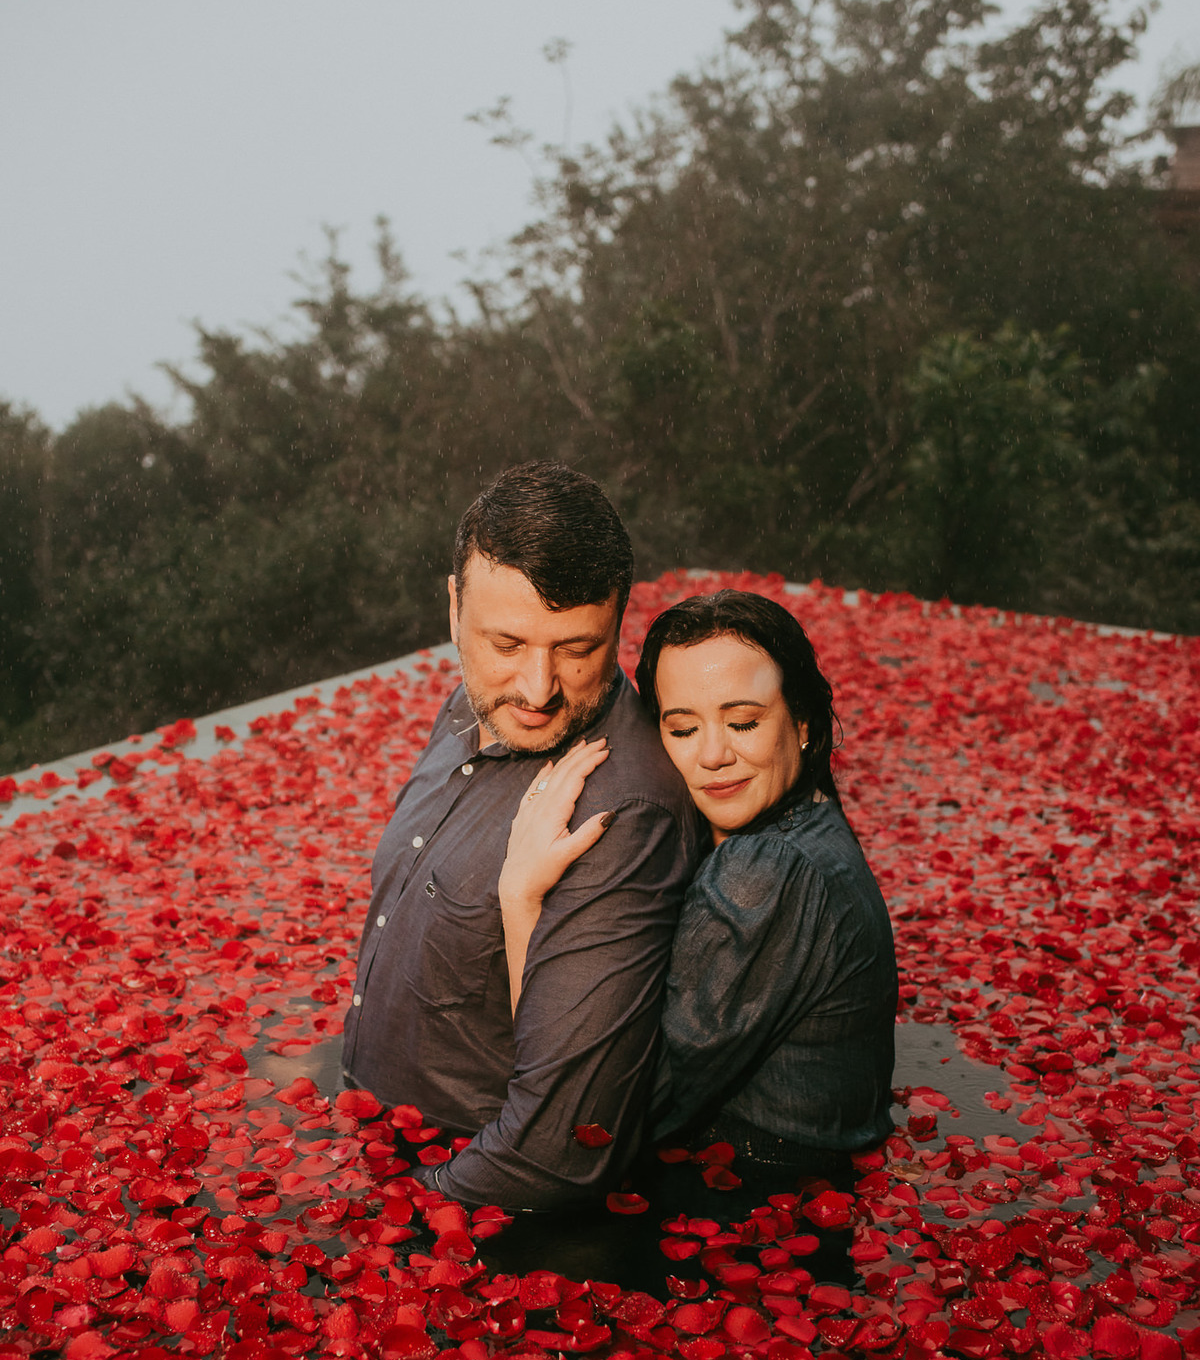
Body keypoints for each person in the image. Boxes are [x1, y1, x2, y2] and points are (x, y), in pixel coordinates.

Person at [341, 462, 700, 1210]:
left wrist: (392, 1215)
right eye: (508, 643)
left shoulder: (623, 813)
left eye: (576, 649)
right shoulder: (472, 702)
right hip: (369, 1132)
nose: (538, 691)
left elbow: (559, 1152)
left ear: (618, 626)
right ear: (453, 611)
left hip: (458, 1193)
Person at [500, 589, 897, 1194]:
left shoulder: (768, 870)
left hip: (750, 1204)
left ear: (805, 723)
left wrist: (521, 898)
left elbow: (599, 1110)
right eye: (682, 728)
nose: (713, 755)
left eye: (743, 722)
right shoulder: (804, 823)